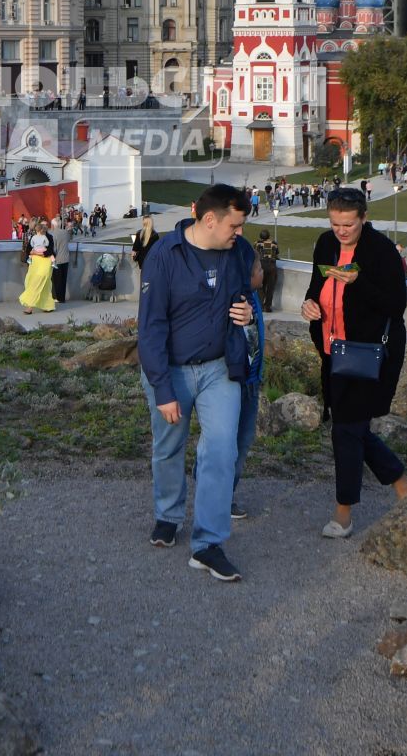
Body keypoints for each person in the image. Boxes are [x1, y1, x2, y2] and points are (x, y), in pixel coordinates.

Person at [137, 184, 258, 582]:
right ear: (210, 220)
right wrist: (163, 390)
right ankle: (168, 515)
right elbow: (151, 326)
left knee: (221, 447)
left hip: (219, 368)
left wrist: (245, 314)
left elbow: (243, 293)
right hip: (170, 369)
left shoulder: (238, 251)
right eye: (235, 226)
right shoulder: (164, 255)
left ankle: (207, 544)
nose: (240, 233)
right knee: (168, 445)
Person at [302, 186, 407, 539]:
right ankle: (403, 484)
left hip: (369, 351)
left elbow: (395, 305)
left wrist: (359, 282)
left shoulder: (381, 250)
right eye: (336, 223)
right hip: (332, 348)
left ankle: (343, 514)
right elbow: (315, 287)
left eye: (349, 225)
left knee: (346, 430)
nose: (341, 231)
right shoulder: (325, 243)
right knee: (351, 427)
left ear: (363, 219)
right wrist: (310, 306)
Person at [19, 221, 57, 314]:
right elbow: (28, 250)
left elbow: (50, 251)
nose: (44, 226)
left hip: (45, 263)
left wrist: (37, 253)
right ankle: (45, 306)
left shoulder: (49, 237)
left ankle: (33, 306)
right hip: (35, 263)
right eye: (42, 225)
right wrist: (35, 253)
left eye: (45, 224)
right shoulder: (34, 237)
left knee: (43, 282)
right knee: (34, 282)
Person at [253, 228, 281, 313]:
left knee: (260, 287)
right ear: (268, 236)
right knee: (270, 287)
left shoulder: (256, 243)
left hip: (261, 267)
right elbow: (276, 253)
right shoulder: (274, 243)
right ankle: (267, 307)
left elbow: (254, 253)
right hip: (271, 267)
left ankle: (260, 306)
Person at [49, 214, 74, 303]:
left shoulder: (52, 234)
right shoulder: (65, 233)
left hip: (57, 260)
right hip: (66, 259)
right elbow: (69, 239)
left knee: (56, 280)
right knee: (63, 279)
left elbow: (54, 249)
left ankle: (56, 297)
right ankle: (62, 298)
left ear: (53, 225)